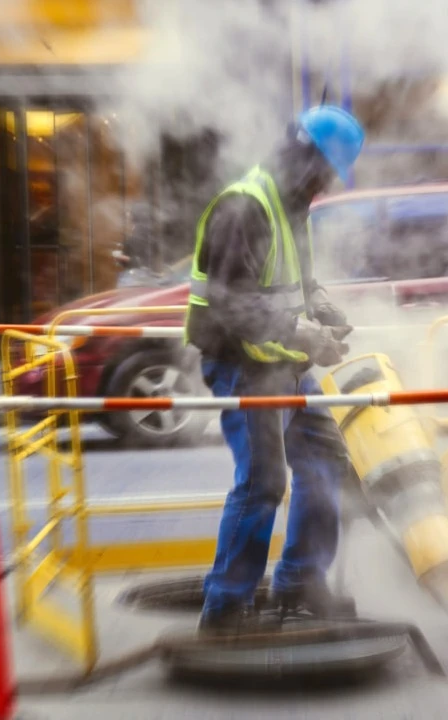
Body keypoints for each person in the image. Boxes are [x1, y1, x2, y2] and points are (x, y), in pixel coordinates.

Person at [183, 105, 366, 632]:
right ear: (303, 156)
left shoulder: (292, 205)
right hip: (242, 363)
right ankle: (226, 607)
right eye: (327, 170)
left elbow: (299, 282)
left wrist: (322, 307)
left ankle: (301, 581)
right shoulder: (245, 206)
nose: (328, 184)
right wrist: (303, 333)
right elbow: (227, 302)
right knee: (263, 480)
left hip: (280, 362)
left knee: (325, 461)